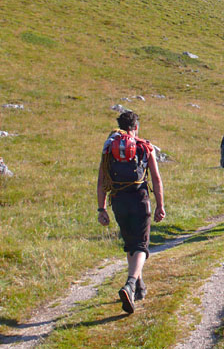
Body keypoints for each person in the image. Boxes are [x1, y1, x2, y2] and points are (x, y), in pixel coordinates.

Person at [97, 110, 165, 315]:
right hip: (139, 199)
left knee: (130, 244)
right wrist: (160, 205)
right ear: (136, 127)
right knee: (141, 246)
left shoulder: (109, 148)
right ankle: (131, 283)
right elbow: (156, 179)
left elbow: (101, 180)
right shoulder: (145, 147)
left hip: (118, 201)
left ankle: (139, 287)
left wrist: (101, 208)